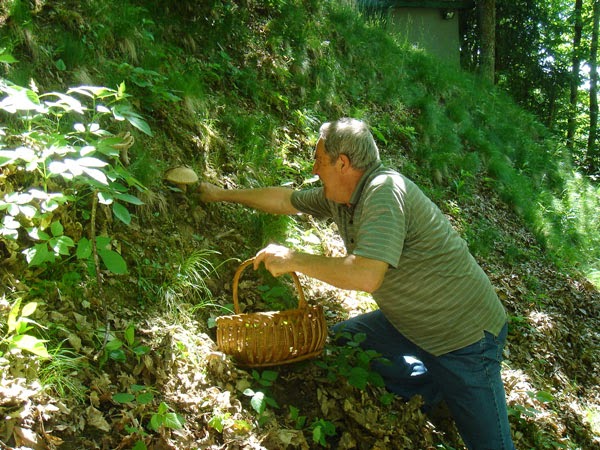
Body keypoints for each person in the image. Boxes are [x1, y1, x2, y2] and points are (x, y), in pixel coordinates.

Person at [199, 118, 516, 450]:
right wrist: (221, 195)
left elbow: (365, 275)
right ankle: (431, 383)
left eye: (319, 161)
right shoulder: (342, 195)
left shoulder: (384, 193)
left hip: (464, 338)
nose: (314, 169)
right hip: (410, 324)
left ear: (343, 163)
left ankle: (443, 382)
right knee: (346, 340)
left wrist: (294, 259)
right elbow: (285, 201)